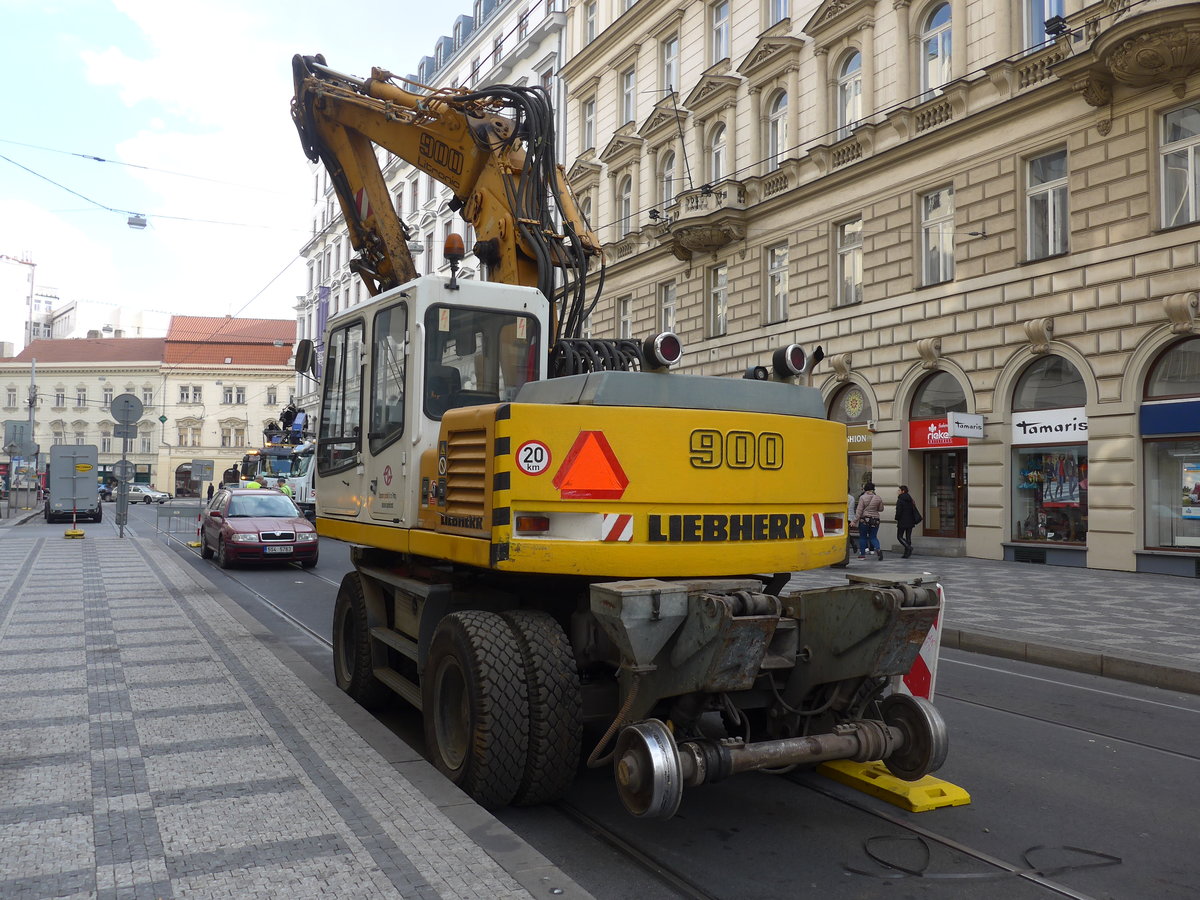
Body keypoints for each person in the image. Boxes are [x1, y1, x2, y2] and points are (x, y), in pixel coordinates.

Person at [855, 482, 885, 560]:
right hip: (875, 519)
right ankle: (878, 549)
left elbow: (859, 510)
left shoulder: (862, 497)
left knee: (863, 537)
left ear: (865, 489)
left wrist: (854, 520)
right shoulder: (878, 498)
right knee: (873, 537)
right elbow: (881, 509)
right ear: (873, 489)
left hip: (865, 519)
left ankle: (862, 555)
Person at [895, 484, 922, 559]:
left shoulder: (900, 500)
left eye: (899, 490)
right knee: (908, 537)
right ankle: (907, 553)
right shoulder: (910, 499)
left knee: (899, 536)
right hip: (911, 521)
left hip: (902, 521)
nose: (898, 491)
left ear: (903, 491)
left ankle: (908, 547)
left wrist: (897, 518)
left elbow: (899, 511)